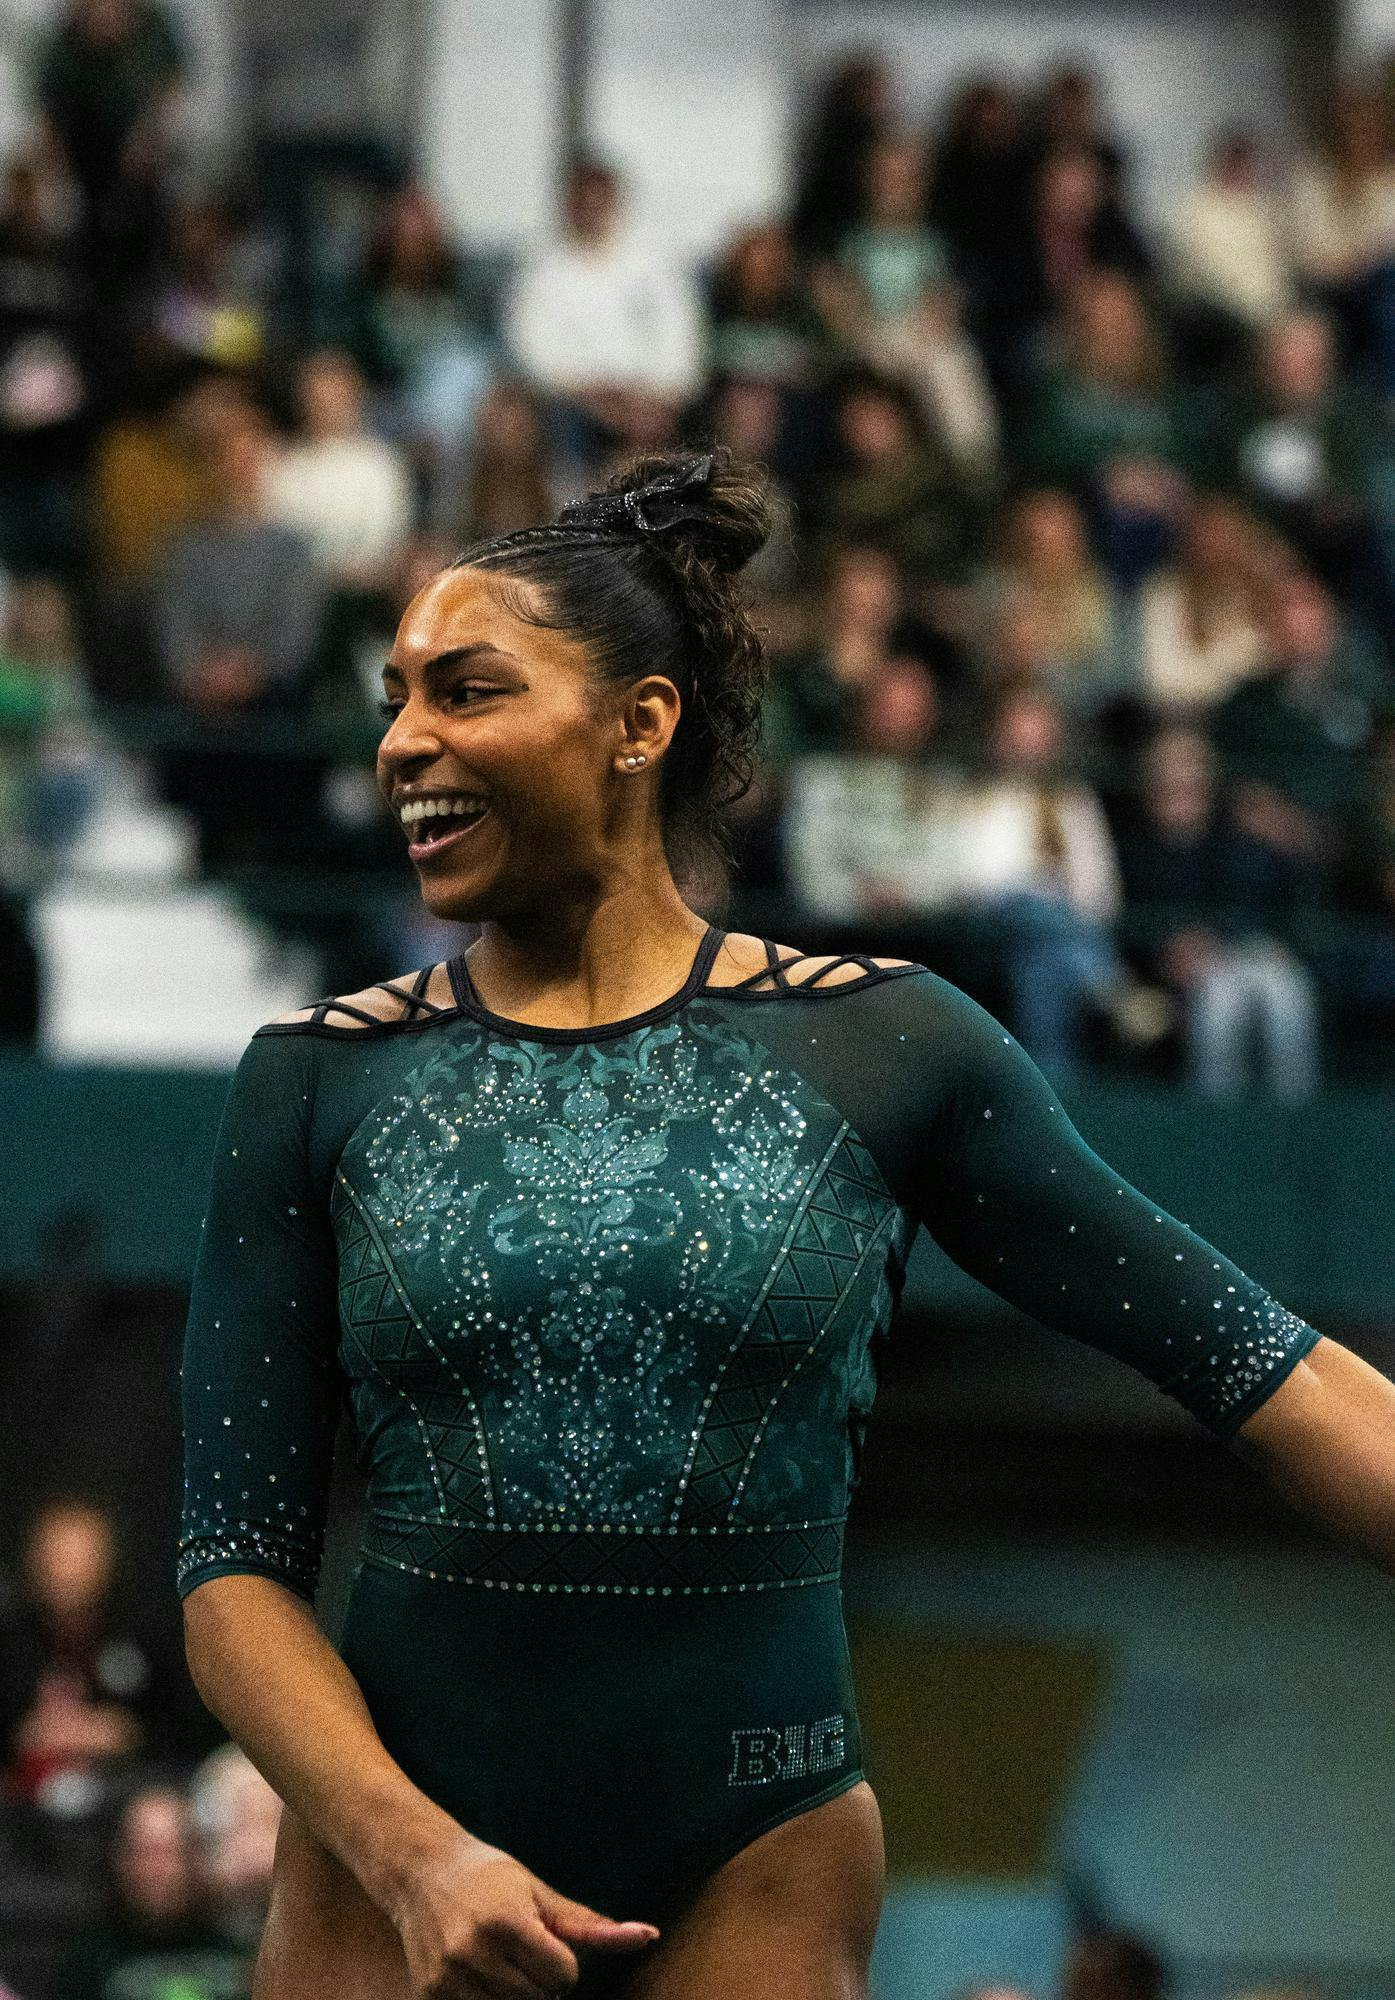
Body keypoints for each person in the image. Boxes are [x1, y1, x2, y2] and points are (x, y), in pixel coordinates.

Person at [178, 448, 1395, 2000]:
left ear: (640, 723)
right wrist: (415, 1858)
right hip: (387, 1868)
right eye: (394, 698)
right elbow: (231, 1574)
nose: (404, 740)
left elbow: (1262, 1366)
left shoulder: (883, 1046)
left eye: (467, 692)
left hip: (756, 1856)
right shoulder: (316, 1076)